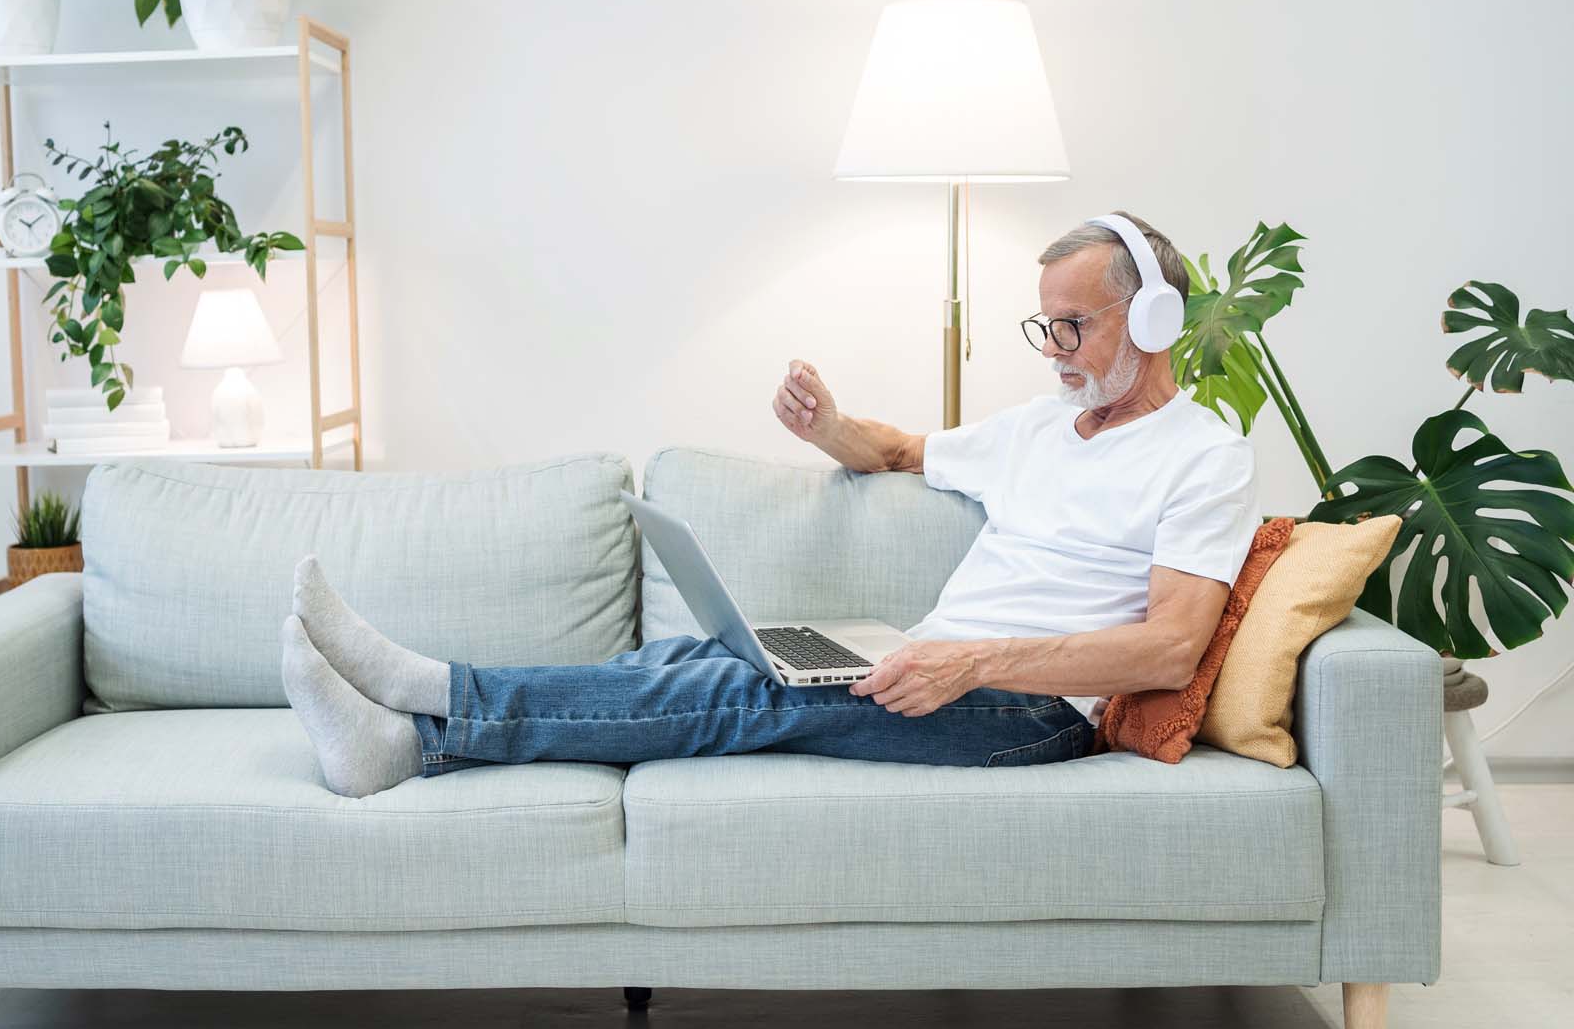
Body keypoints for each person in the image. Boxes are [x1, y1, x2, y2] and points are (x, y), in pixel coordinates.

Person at [281, 210, 1260, 797]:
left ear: (1152, 318)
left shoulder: (1203, 458)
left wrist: (977, 659)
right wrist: (826, 425)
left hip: (1030, 710)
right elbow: (898, 448)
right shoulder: (1035, 429)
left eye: (1072, 325)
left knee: (737, 692)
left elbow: (1170, 646)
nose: (1050, 347)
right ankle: (413, 743)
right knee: (709, 655)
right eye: (1043, 323)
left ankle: (436, 693)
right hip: (937, 666)